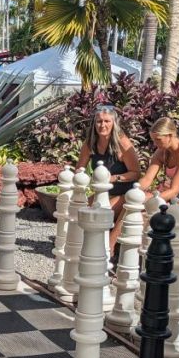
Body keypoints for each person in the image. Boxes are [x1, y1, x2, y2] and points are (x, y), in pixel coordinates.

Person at [75, 105, 140, 250]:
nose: (102, 125)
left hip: (124, 192)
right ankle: (80, 245)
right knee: (79, 209)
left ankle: (107, 249)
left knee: (100, 213)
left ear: (114, 123)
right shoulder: (90, 143)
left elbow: (136, 173)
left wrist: (114, 178)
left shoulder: (122, 143)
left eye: (106, 121)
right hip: (102, 191)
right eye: (99, 121)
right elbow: (79, 169)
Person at [137, 117, 179, 225]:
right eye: (153, 140)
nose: (155, 144)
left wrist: (149, 200)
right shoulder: (162, 152)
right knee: (130, 207)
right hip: (170, 196)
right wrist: (134, 191)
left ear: (170, 135)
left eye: (158, 139)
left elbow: (175, 190)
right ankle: (111, 241)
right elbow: (147, 179)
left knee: (145, 217)